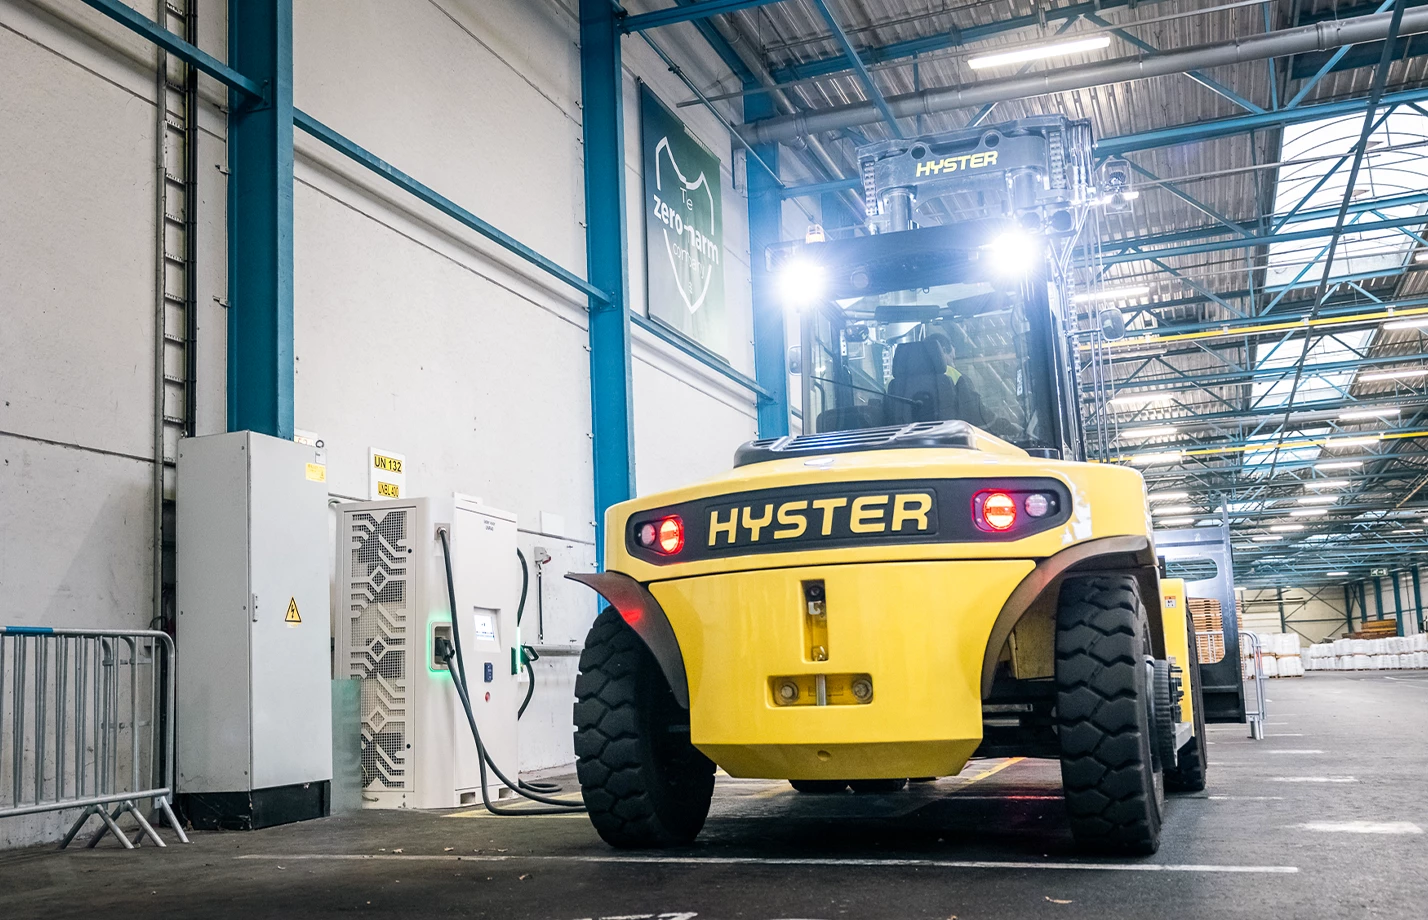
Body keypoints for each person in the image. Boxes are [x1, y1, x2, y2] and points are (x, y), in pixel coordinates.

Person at [927, 331, 991, 427]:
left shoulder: (897, 379)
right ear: (943, 351)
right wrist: (1006, 426)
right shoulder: (955, 376)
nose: (953, 364)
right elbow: (978, 415)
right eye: (952, 358)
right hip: (950, 439)